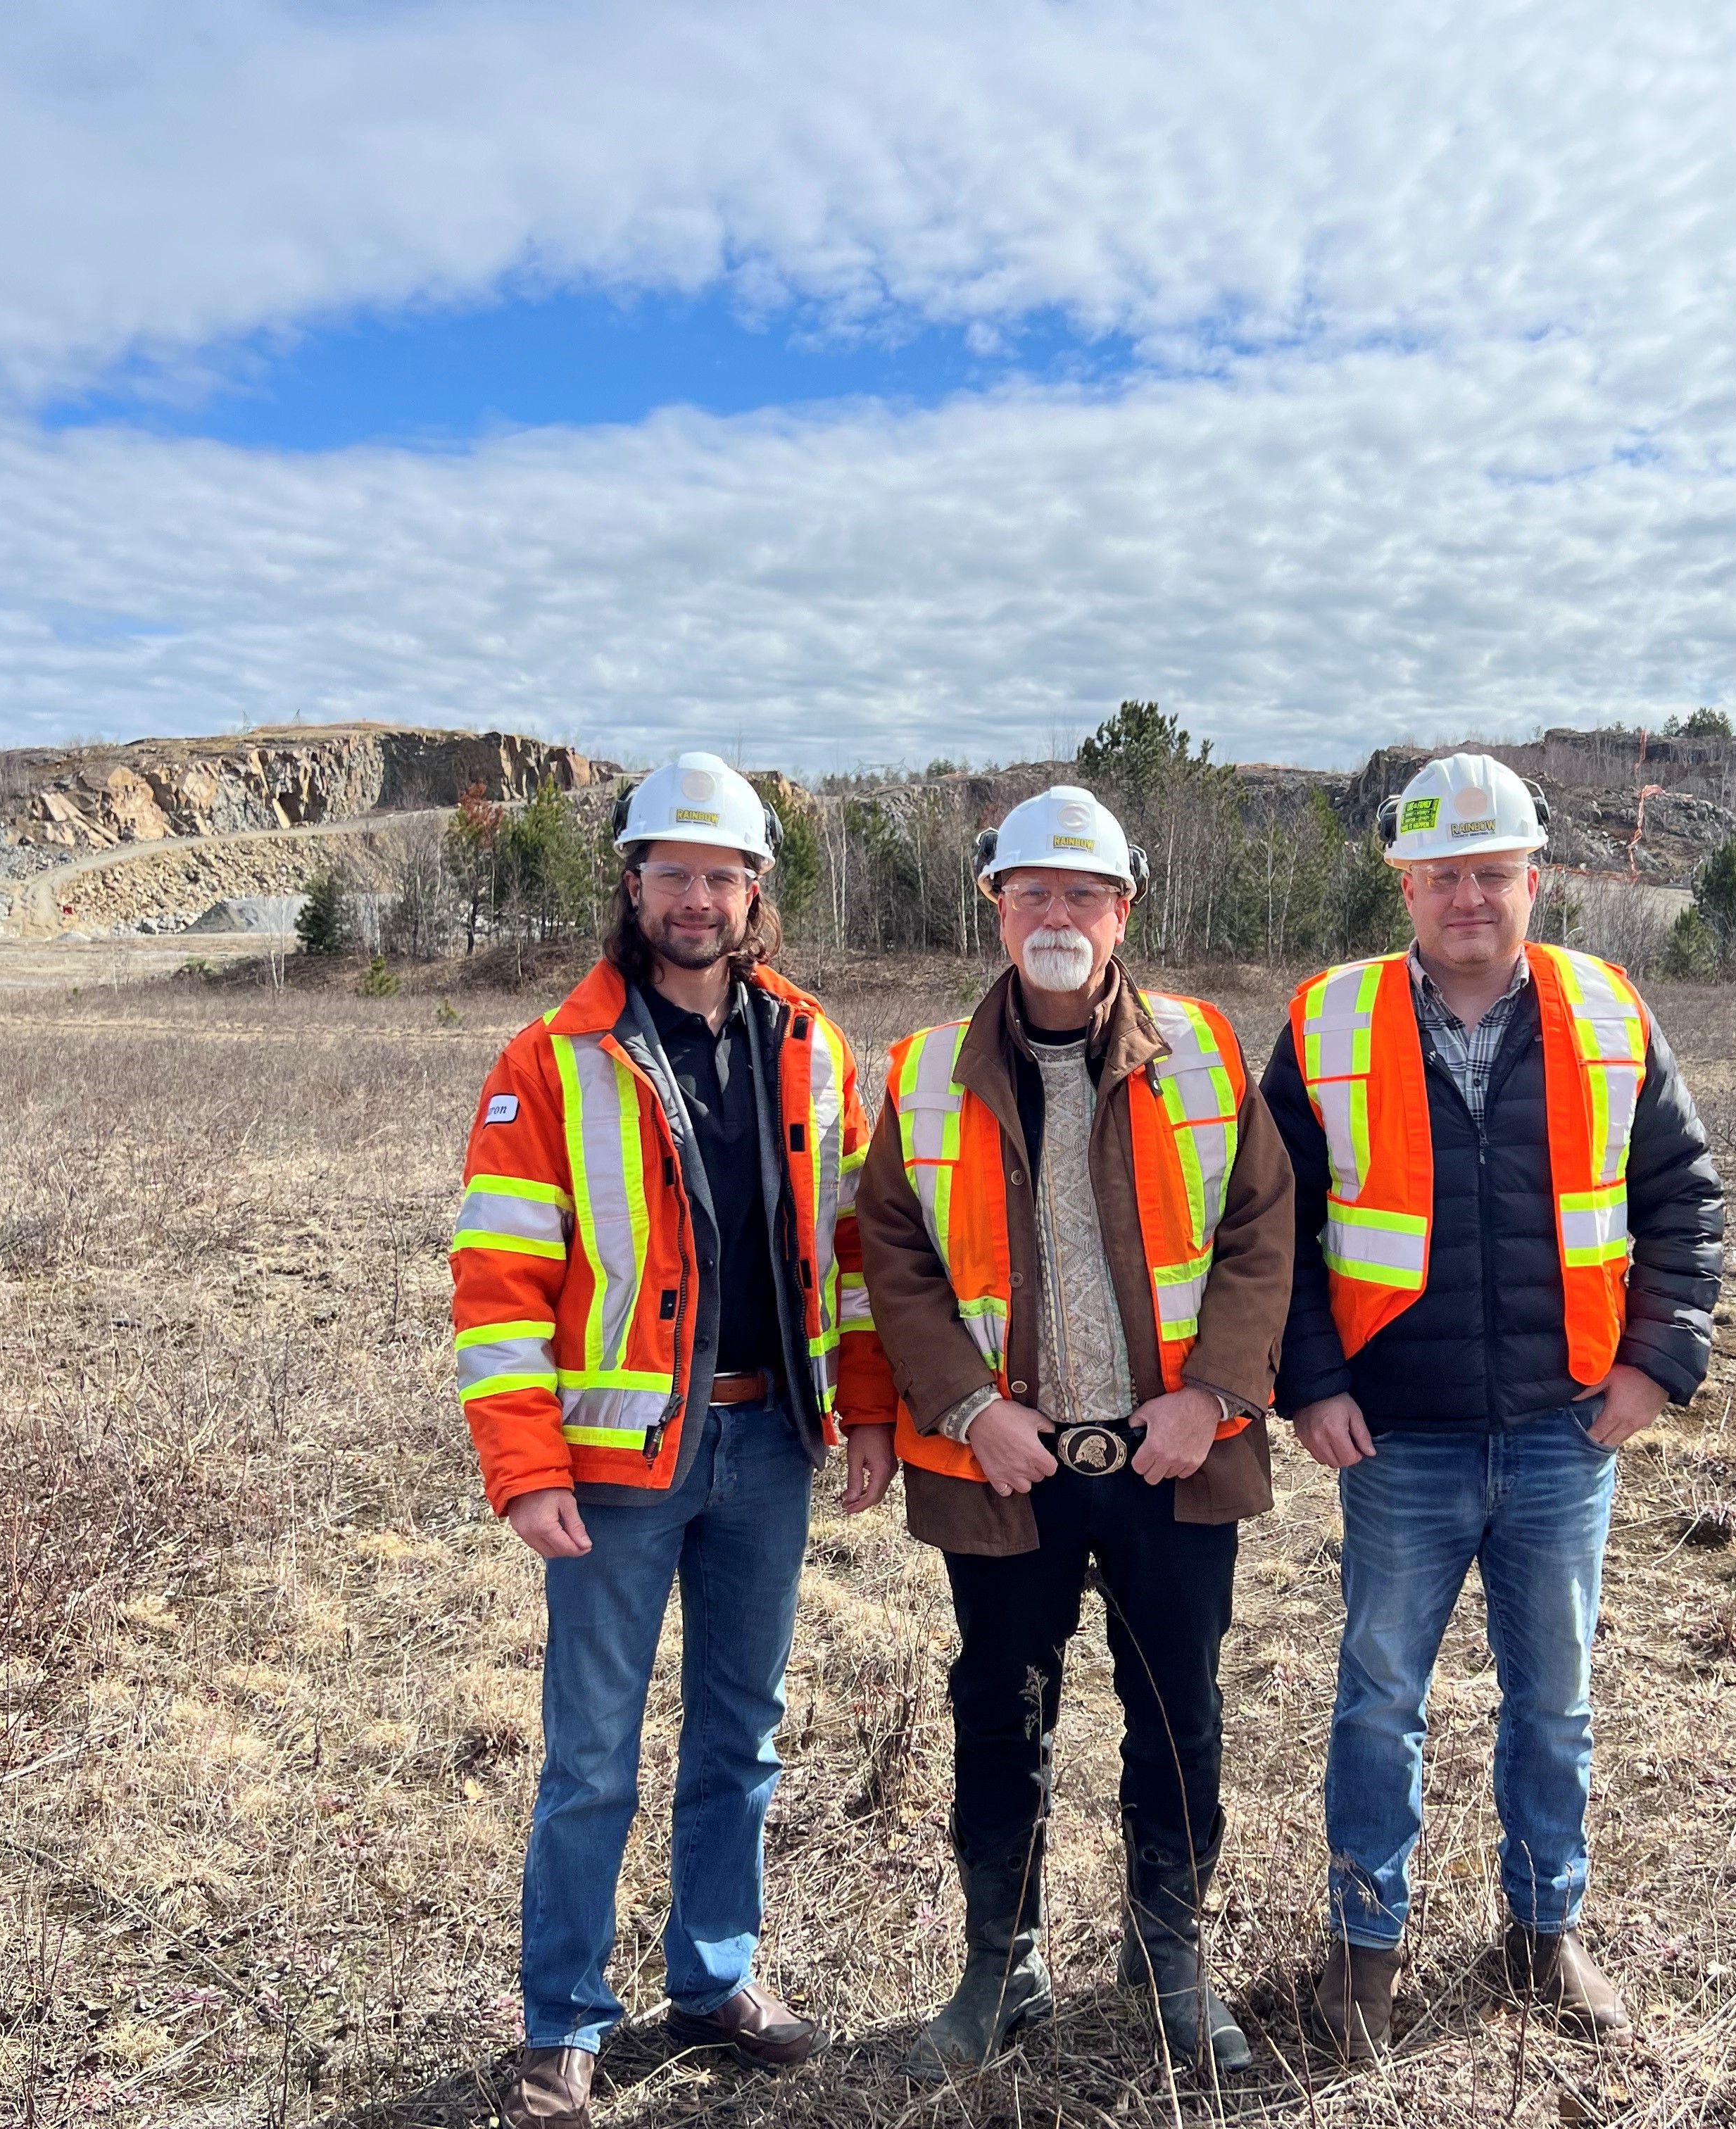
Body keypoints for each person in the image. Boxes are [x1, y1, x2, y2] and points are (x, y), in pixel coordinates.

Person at [450, 752, 899, 2129]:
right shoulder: (552, 1060)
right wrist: (524, 1466)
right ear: (632, 883)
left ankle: (714, 1981)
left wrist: (870, 1411)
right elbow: (499, 1282)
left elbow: (859, 1253)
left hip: (769, 1450)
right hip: (615, 1470)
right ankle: (563, 2027)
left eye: (723, 875)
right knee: (591, 1758)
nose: (697, 899)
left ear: (755, 889)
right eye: (673, 874)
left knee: (739, 1735)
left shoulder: (811, 1047)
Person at [1262, 751, 1722, 2055]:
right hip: (1395, 1435)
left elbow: (1681, 1196)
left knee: (1555, 1701)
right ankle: (1364, 1954)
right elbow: (1272, 1227)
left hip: (1564, 1427)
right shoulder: (1329, 1021)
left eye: (1492, 872)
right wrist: (1313, 1382)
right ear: (1404, 886)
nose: (1469, 896)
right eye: (1442, 874)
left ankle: (1543, 1934)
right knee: (1377, 1698)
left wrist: (1653, 1364)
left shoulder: (1610, 1010)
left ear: (1535, 879)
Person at [855, 785, 1295, 2080]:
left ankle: (1170, 1952)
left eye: (1083, 895)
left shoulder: (1207, 1051)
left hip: (1172, 1460)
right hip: (1007, 1471)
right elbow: (893, 1252)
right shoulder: (924, 1071)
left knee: (1179, 1713)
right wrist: (970, 1408)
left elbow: (1264, 1235)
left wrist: (1210, 1396)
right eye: (1032, 893)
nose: (1057, 915)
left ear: (1124, 911)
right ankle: (1003, 1962)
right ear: (995, 907)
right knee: (1000, 1707)